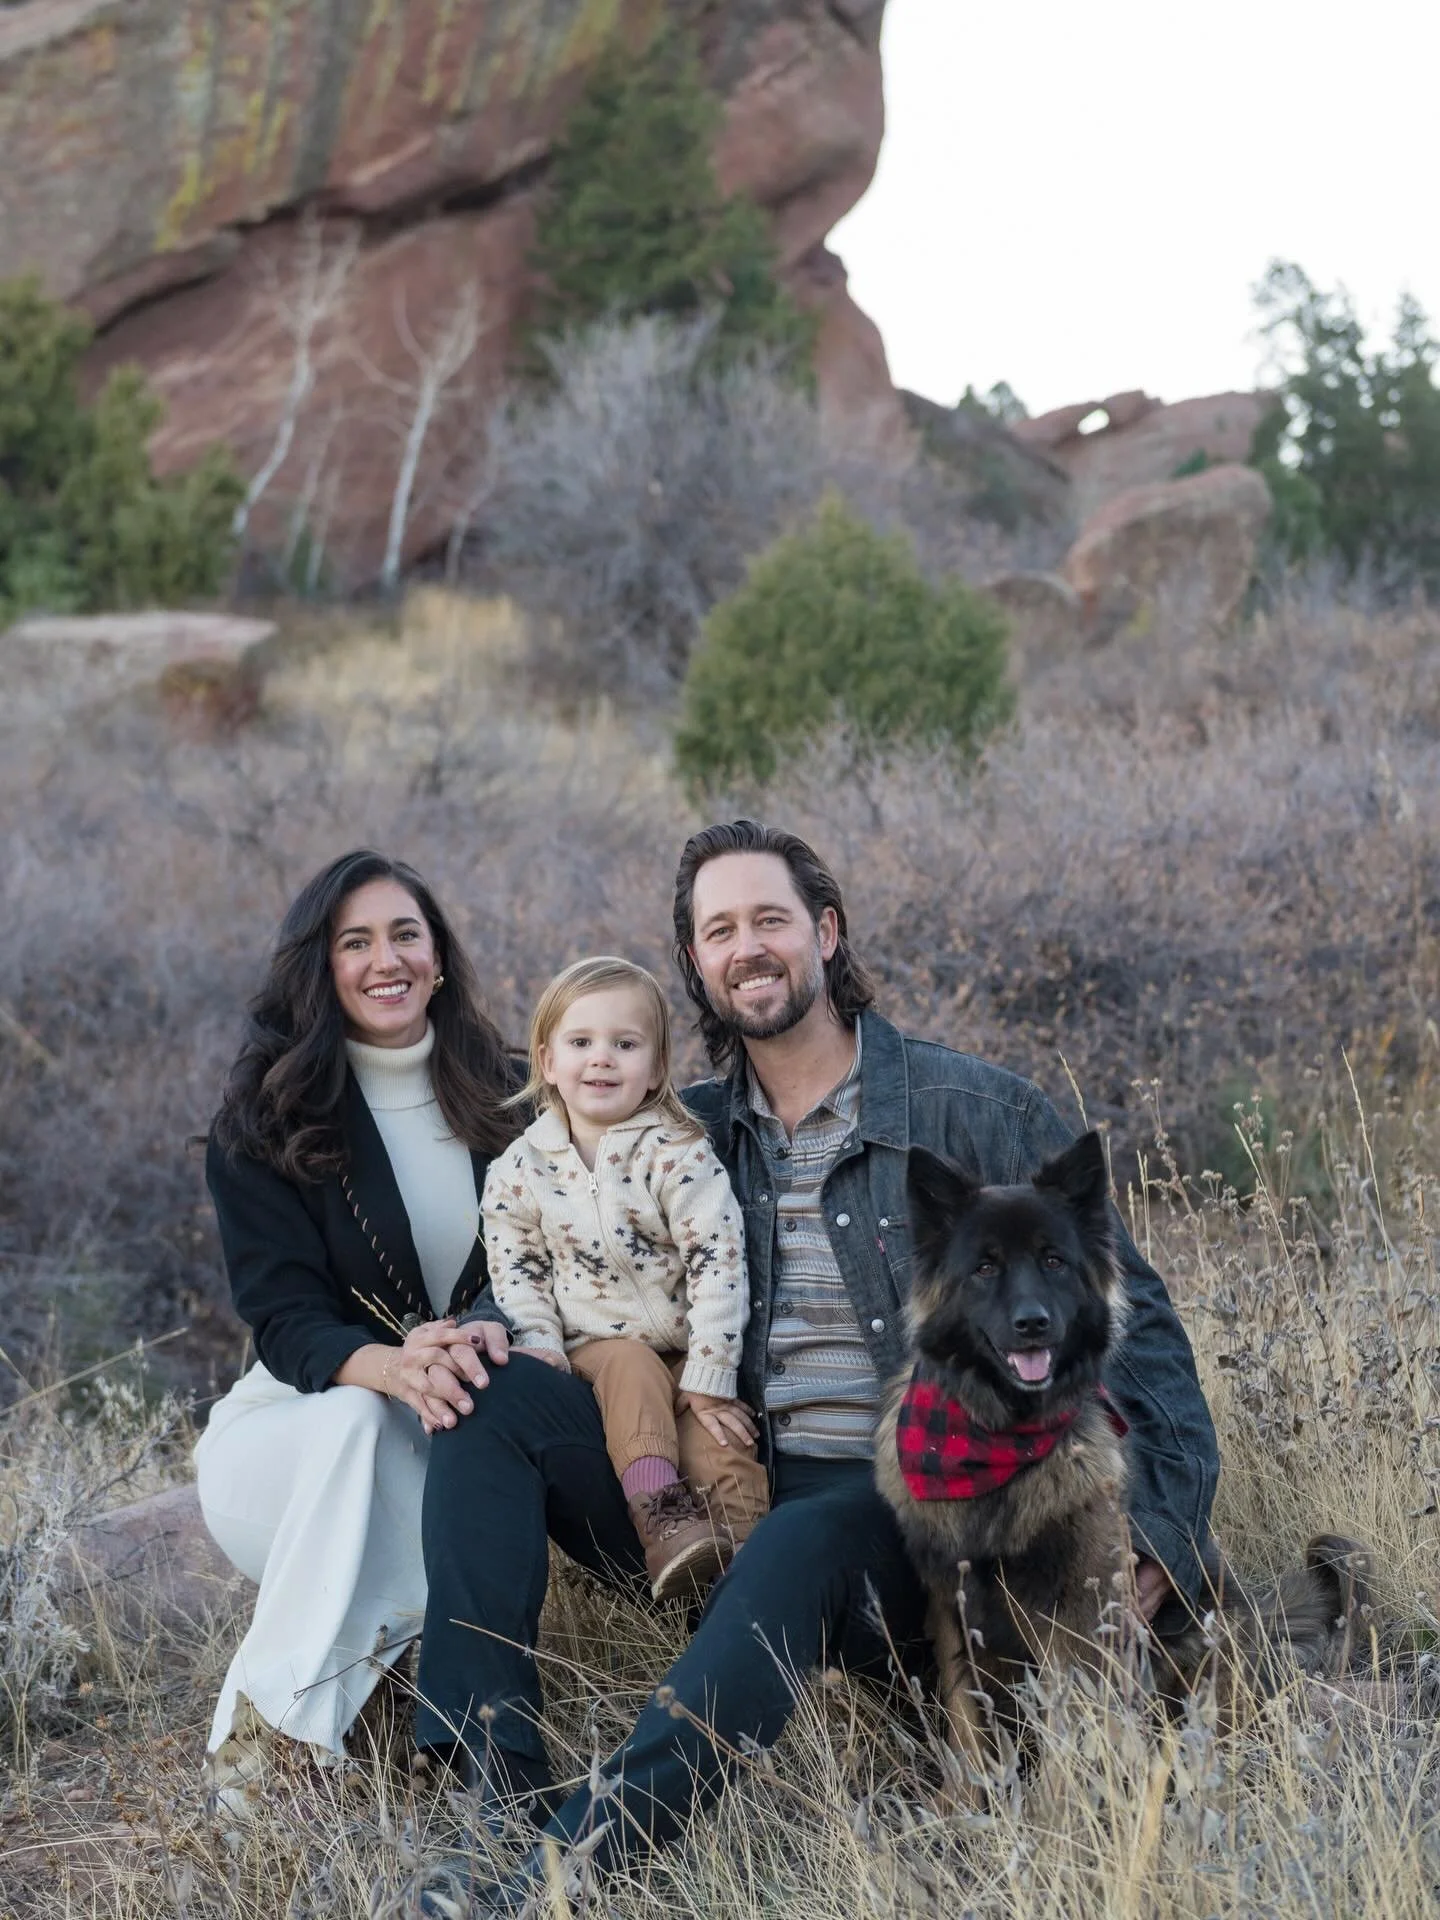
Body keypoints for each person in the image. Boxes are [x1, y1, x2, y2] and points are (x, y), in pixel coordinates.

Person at [411, 821, 1219, 1913]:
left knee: (809, 1531)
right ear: (695, 963)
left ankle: (558, 1880)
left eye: (771, 920)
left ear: (826, 934)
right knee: (488, 1401)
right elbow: (547, 1251)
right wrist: (462, 1331)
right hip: (717, 1491)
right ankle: (496, 1789)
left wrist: (1159, 1532)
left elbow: (1147, 1335)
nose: (748, 947)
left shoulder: (971, 1112)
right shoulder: (679, 1131)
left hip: (905, 1514)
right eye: (718, 930)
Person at [196, 849, 516, 1819]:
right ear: (321, 966)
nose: (387, 960)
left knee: (417, 1458)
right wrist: (393, 1366)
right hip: (289, 1441)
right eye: (357, 941)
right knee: (356, 1424)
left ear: (441, 959)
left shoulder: (513, 1093)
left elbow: (549, 1267)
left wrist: (476, 1342)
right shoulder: (266, 1118)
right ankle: (266, 1765)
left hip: (449, 1441)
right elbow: (285, 1323)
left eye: (406, 936)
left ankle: (345, 1751)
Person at [483, 956, 766, 1600]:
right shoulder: (519, 1169)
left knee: (723, 1442)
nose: (602, 1059)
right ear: (548, 1062)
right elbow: (516, 1269)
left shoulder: (678, 1151)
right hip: (593, 1353)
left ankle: (752, 1585)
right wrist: (539, 1343)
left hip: (686, 1355)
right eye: (581, 1043)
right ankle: (661, 1516)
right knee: (631, 1367)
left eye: (625, 1044)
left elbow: (718, 1260)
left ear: (657, 1067)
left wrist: (712, 1372)